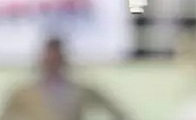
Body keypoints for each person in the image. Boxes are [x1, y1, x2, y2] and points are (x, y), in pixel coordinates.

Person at [0, 38, 129, 120]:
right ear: (42, 61)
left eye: (56, 59)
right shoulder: (23, 93)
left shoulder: (81, 91)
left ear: (63, 60)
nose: (52, 64)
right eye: (49, 59)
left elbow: (116, 112)